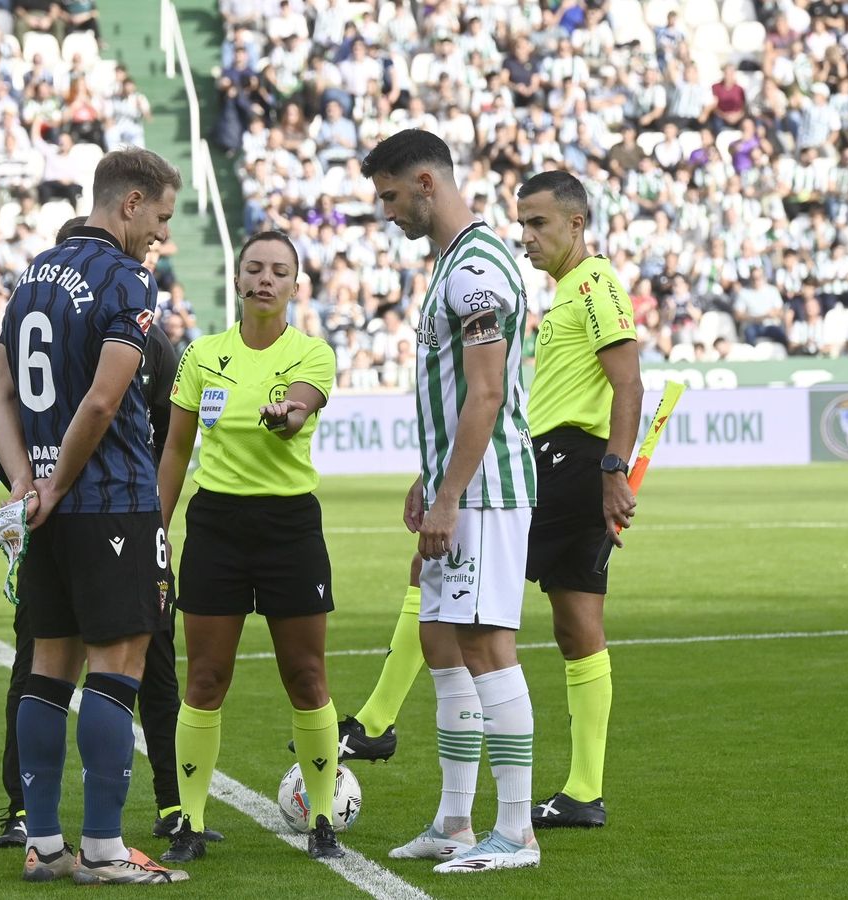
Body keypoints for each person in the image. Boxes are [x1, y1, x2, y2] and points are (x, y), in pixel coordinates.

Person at [0, 148, 188, 885]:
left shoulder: (34, 273)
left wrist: (26, 484)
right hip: (112, 502)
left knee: (47, 667)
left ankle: (43, 843)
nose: (161, 235)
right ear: (129, 202)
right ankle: (103, 849)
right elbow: (104, 401)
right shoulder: (126, 278)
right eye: (161, 217)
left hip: (47, 513)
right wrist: (60, 483)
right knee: (118, 665)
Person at [361, 129, 541, 874]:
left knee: (485, 644)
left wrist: (451, 495)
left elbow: (488, 391)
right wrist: (430, 480)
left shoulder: (475, 268)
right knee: (441, 642)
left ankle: (516, 831)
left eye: (392, 196)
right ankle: (456, 820)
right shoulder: (451, 266)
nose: (387, 212)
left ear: (428, 182)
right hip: (459, 487)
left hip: (487, 492)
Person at [157, 230, 344, 864]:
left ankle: (322, 815)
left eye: (279, 271)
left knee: (307, 676)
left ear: (296, 285)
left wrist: (286, 415)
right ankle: (190, 820)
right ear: (238, 279)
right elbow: (177, 450)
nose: (265, 279)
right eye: (255, 269)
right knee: (206, 678)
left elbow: (301, 405)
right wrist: (161, 530)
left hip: (291, 526)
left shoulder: (312, 352)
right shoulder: (202, 355)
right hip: (216, 527)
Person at [515, 170, 643, 829]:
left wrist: (613, 469)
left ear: (576, 224)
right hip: (573, 464)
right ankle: (584, 793)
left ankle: (377, 721)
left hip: (571, 462)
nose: (526, 237)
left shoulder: (594, 285)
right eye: (522, 224)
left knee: (448, 571)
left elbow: (629, 380)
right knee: (576, 627)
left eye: (538, 223)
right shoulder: (569, 291)